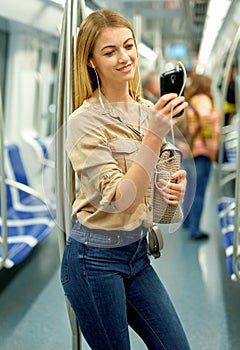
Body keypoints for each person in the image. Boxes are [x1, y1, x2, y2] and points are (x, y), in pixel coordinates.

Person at [60, 9, 190, 350]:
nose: (124, 57)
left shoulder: (148, 110)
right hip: (94, 259)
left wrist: (172, 192)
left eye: (128, 45)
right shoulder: (83, 122)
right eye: (109, 51)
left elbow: (159, 204)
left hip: (137, 254)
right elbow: (120, 198)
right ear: (91, 62)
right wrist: (154, 135)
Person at [176, 74, 221, 240]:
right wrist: (212, 148)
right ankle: (195, 229)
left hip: (188, 150)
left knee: (190, 190)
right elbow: (208, 124)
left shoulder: (191, 101)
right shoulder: (203, 101)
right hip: (201, 152)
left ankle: (187, 220)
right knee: (199, 192)